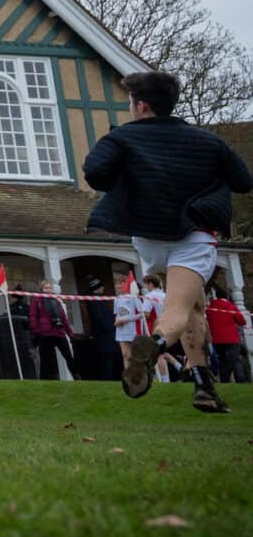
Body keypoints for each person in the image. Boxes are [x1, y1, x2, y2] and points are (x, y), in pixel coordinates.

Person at [84, 70, 253, 412]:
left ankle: (204, 386)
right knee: (176, 310)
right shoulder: (209, 141)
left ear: (141, 106)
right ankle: (155, 344)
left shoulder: (123, 139)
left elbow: (95, 172)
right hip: (192, 235)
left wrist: (131, 178)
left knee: (193, 307)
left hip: (148, 237)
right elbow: (243, 180)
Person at [27, 281, 78, 381]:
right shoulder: (36, 300)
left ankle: (76, 376)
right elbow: (33, 316)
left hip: (59, 333)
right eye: (46, 288)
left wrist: (70, 333)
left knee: (68, 356)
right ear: (41, 289)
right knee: (46, 359)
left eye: (50, 288)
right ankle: (43, 380)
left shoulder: (56, 302)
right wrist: (36, 330)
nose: (48, 290)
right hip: (45, 334)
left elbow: (64, 319)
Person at [203, 284, 247, 384]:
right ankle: (241, 379)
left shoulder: (210, 308)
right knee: (235, 360)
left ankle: (224, 380)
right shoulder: (230, 307)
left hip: (217, 339)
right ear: (226, 297)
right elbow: (242, 321)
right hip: (231, 338)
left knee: (223, 361)